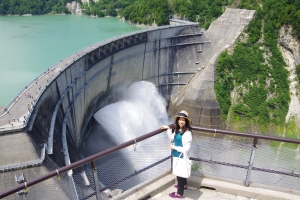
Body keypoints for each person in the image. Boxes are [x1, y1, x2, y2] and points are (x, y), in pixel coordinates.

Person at [161, 110, 192, 199]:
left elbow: (186, 149)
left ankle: (179, 194)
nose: (181, 121)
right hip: (176, 155)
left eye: (183, 120)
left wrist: (174, 147)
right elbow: (171, 138)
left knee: (180, 175)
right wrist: (168, 129)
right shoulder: (178, 130)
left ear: (186, 122)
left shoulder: (187, 133)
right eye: (180, 119)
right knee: (180, 173)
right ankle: (184, 186)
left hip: (182, 156)